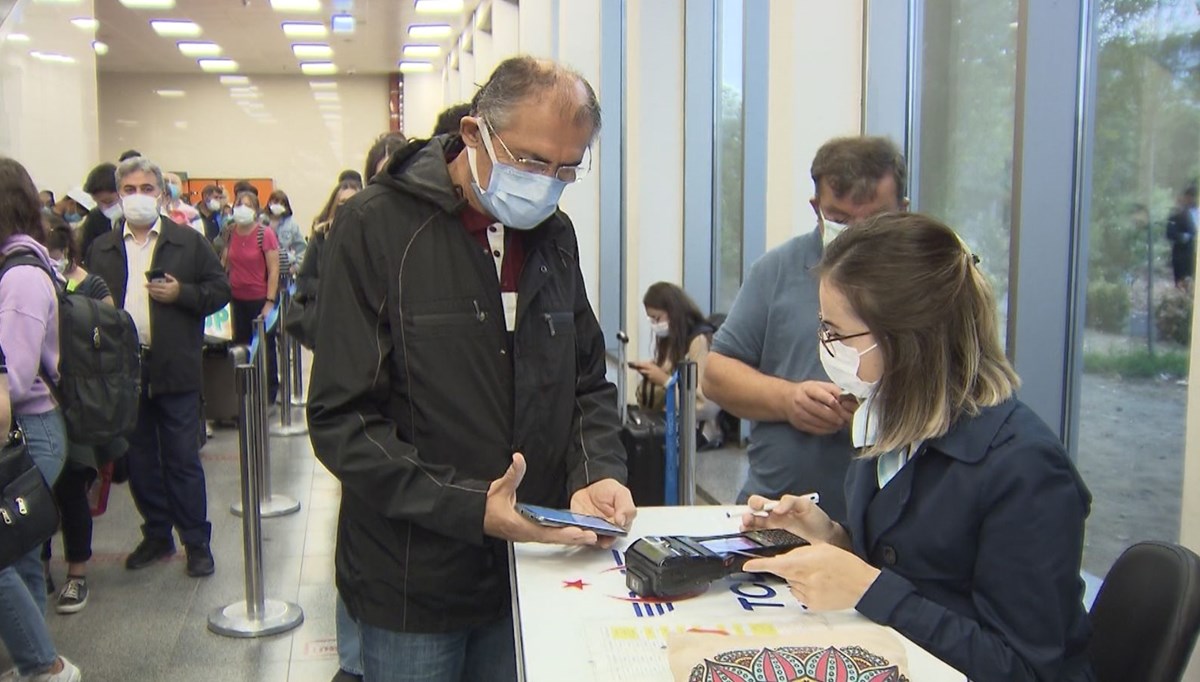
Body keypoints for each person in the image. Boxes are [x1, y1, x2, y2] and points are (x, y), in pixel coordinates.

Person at [307, 56, 633, 682]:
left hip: (529, 562)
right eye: (534, 161)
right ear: (473, 133)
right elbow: (342, 418)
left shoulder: (552, 236)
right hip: (413, 578)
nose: (548, 182)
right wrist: (469, 505)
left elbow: (587, 380)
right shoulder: (376, 227)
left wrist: (595, 473)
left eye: (568, 168)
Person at [739, 212, 1094, 681]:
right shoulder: (892, 427)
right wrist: (833, 539)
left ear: (908, 342)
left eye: (837, 334)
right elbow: (915, 565)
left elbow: (1022, 667)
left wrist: (868, 588)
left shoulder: (1025, 470)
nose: (825, 348)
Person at [703, 136, 907, 523]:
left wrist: (875, 414)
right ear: (816, 209)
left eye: (876, 221)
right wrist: (788, 400)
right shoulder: (777, 270)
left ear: (904, 210)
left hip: (887, 524)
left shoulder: (928, 284)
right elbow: (716, 375)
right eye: (841, 220)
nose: (858, 236)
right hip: (778, 510)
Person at [85, 156, 231, 578]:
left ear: (161, 195)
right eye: (128, 190)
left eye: (145, 189)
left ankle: (196, 541)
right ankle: (156, 532)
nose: (137, 198)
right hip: (126, 372)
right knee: (141, 458)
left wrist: (183, 293)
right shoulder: (104, 248)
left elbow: (218, 290)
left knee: (182, 458)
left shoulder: (187, 242)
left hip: (176, 366)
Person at [0, 156, 82, 682]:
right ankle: (37, 661)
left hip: (28, 430)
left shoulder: (23, 276)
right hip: (27, 429)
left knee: (6, 555)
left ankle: (45, 666)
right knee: (22, 553)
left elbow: (11, 374)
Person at [40, 217, 121, 615]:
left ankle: (77, 571)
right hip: (36, 401)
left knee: (72, 485)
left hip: (76, 402)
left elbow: (110, 344)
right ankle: (38, 565)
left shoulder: (92, 287)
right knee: (34, 488)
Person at [631, 282, 722, 446]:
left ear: (673, 312)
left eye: (657, 318)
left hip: (700, 427)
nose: (655, 325)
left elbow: (705, 401)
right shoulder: (673, 339)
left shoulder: (698, 341)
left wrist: (665, 381)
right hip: (675, 418)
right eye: (651, 319)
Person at [222, 191, 280, 401]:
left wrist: (269, 302)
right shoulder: (230, 232)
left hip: (259, 299)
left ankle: (269, 391)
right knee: (240, 348)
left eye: (247, 205)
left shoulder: (264, 234)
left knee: (265, 348)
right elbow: (226, 262)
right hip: (236, 299)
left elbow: (273, 270)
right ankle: (244, 393)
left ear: (256, 210)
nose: (242, 208)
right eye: (239, 204)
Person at [79, 162, 123, 256]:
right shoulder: (95, 217)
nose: (103, 208)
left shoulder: (137, 218)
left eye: (108, 201)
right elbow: (86, 252)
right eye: (98, 202)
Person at [265, 190, 306, 276]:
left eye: (282, 203)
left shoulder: (291, 224)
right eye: (276, 202)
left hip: (284, 271)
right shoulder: (261, 221)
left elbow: (302, 248)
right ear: (269, 202)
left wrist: (296, 267)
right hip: (263, 270)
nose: (278, 205)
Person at [1166, 180, 1198, 288]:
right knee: (1183, 287)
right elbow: (1169, 233)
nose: (1192, 199)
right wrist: (1182, 237)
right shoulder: (1176, 213)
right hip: (1183, 257)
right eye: (1189, 196)